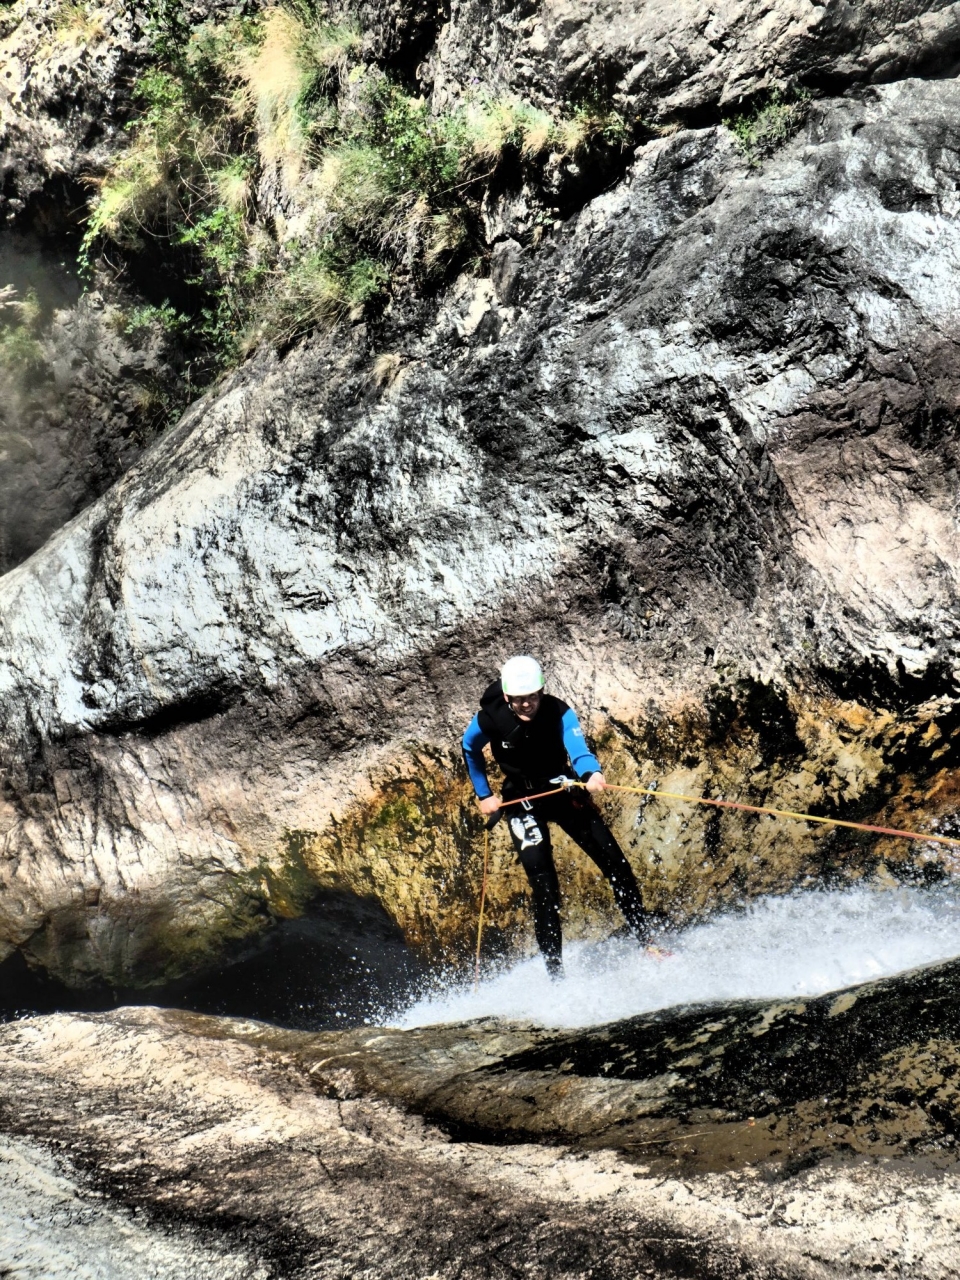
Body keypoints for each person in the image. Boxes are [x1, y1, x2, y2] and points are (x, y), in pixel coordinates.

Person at [462, 655, 655, 977]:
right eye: (520, 700)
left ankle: (647, 943)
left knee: (616, 865)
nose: (527, 705)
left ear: (541, 692)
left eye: (533, 697)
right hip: (521, 801)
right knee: (545, 888)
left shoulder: (558, 711)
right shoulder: (488, 719)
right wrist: (484, 794)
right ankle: (556, 975)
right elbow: (470, 749)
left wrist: (591, 773)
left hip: (562, 790)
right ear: (508, 698)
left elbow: (578, 748)